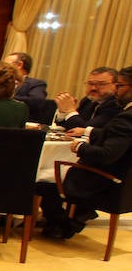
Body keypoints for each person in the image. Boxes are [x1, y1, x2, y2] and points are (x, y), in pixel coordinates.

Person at [38, 65, 132, 239]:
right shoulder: (90, 102)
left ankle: (65, 224)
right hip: (115, 176)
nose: (94, 88)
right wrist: (82, 126)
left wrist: (80, 147)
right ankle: (71, 218)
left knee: (41, 178)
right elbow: (86, 129)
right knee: (51, 172)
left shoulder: (122, 112)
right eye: (90, 83)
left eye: (119, 86)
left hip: (105, 179)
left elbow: (106, 154)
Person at [55, 66, 120, 136]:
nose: (93, 88)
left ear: (116, 86)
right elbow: (67, 126)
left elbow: (83, 129)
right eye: (90, 83)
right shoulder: (88, 101)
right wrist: (63, 111)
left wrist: (70, 111)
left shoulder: (117, 104)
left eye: (101, 84)